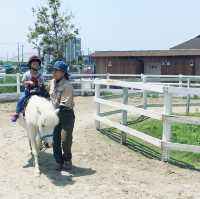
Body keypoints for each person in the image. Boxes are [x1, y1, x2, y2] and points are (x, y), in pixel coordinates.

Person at [49, 61, 75, 171]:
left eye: (57, 70)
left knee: (65, 140)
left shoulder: (67, 86)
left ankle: (67, 160)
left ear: (63, 73)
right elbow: (49, 96)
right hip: (54, 114)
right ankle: (59, 161)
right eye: (53, 70)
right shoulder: (51, 82)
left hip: (66, 114)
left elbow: (63, 105)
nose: (54, 72)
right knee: (55, 140)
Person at [11, 55, 44, 122]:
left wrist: (40, 84)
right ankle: (17, 113)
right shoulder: (27, 74)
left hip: (37, 91)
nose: (36, 65)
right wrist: (28, 82)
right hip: (28, 91)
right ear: (30, 65)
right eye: (34, 64)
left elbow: (42, 83)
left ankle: (45, 114)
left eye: (37, 64)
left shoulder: (40, 75)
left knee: (44, 99)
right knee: (21, 99)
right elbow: (23, 82)